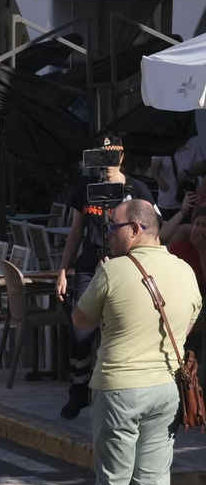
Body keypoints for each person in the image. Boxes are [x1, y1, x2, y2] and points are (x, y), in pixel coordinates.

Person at [71, 199, 201, 485]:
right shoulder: (185, 270)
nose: (109, 234)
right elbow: (186, 326)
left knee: (113, 480)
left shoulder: (112, 270)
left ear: (135, 229)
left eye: (113, 227)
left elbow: (80, 320)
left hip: (119, 388)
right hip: (167, 388)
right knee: (154, 481)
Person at [55, 134, 156, 419]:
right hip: (91, 264)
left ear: (122, 156)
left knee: (126, 326)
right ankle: (79, 389)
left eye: (114, 154)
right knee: (80, 327)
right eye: (102, 154)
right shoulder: (86, 187)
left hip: (128, 264)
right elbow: (76, 231)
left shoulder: (137, 188)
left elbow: (152, 231)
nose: (108, 161)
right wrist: (63, 270)